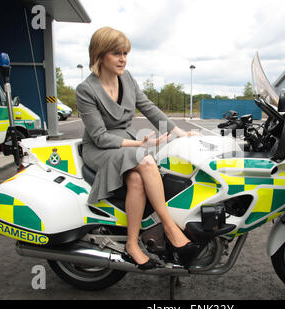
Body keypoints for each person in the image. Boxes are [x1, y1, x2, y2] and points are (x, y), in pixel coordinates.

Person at [76, 27, 199, 270]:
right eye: (116, 53)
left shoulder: (128, 78)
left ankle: (132, 245)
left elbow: (149, 107)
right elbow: (100, 137)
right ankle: (170, 227)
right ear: (100, 55)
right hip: (100, 148)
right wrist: (140, 144)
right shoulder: (86, 90)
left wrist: (179, 132)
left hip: (125, 143)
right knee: (144, 158)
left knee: (136, 180)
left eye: (125, 53)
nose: (123, 59)